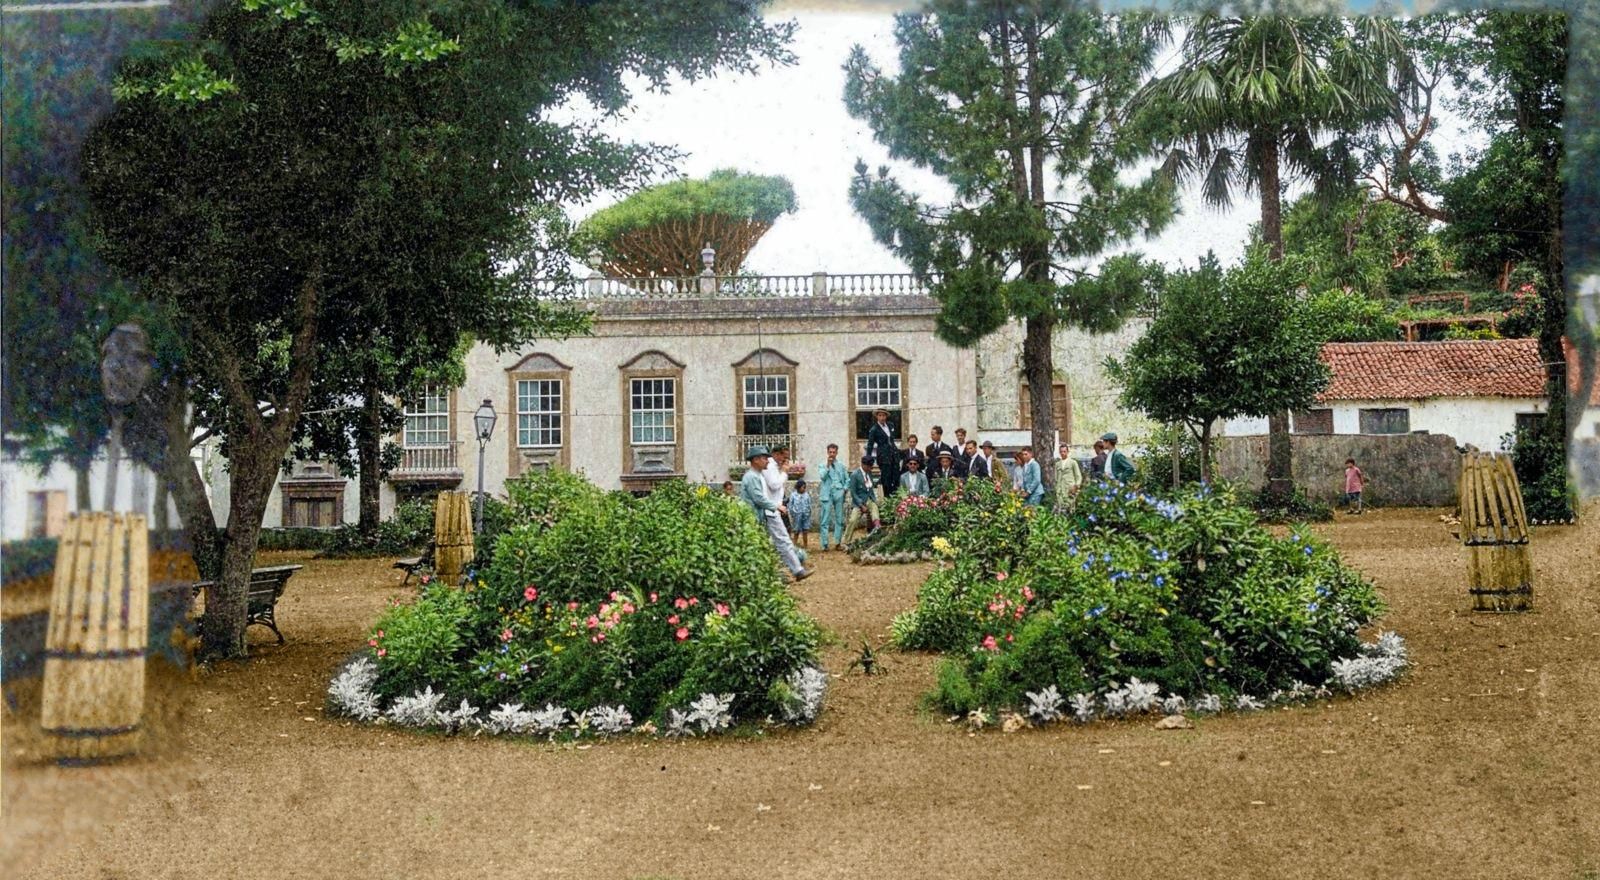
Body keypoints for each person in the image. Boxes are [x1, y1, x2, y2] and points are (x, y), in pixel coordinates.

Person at [740, 446, 811, 581]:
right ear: (755, 460)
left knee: (773, 543)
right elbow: (759, 498)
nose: (768, 460)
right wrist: (776, 506)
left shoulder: (758, 475)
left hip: (762, 515)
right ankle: (790, 572)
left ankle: (786, 572)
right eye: (764, 458)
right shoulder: (753, 477)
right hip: (759, 515)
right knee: (776, 542)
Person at [816, 443, 850, 551]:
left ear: (837, 453)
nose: (832, 454)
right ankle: (824, 544)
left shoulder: (841, 465)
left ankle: (837, 542)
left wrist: (844, 489)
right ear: (827, 452)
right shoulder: (822, 465)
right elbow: (822, 477)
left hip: (838, 492)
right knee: (825, 519)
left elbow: (847, 479)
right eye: (830, 452)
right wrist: (828, 465)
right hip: (827, 493)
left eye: (834, 452)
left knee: (839, 519)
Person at [845, 454, 882, 542]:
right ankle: (846, 541)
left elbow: (871, 489)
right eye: (869, 467)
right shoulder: (854, 475)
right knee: (853, 520)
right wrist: (861, 505)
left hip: (869, 499)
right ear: (863, 465)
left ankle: (877, 528)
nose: (871, 469)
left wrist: (874, 500)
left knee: (875, 509)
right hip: (859, 502)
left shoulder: (869, 473)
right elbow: (853, 493)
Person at [866, 408, 901, 496]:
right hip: (884, 456)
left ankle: (896, 498)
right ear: (877, 417)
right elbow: (870, 445)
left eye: (884, 415)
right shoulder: (874, 429)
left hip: (894, 454)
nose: (882, 418)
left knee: (896, 476)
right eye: (880, 415)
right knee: (886, 478)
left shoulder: (890, 425)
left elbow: (892, 440)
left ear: (886, 416)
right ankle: (887, 498)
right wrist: (868, 460)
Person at [1054, 442, 1083, 507]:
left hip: (1070, 489)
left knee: (1070, 507)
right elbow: (1056, 478)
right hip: (1060, 490)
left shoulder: (1073, 462)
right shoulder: (1057, 464)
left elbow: (1078, 476)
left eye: (1064, 451)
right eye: (1061, 452)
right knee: (1061, 508)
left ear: (1067, 452)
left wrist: (1076, 486)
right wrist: (1056, 488)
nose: (1063, 453)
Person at [788, 479, 814, 546]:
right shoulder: (793, 495)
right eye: (803, 487)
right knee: (796, 531)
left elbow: (809, 504)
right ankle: (794, 545)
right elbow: (790, 506)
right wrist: (793, 514)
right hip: (797, 516)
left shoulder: (807, 495)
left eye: (805, 487)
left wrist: (808, 513)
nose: (804, 489)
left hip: (805, 516)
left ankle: (805, 545)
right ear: (798, 488)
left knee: (805, 531)